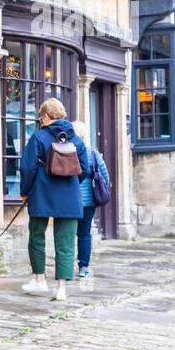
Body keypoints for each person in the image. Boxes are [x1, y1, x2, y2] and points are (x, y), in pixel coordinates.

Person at [19, 99, 90, 302]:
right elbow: (84, 169)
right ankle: (61, 289)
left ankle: (39, 279)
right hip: (70, 197)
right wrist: (69, 183)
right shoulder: (76, 140)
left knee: (37, 236)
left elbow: (28, 168)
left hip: (42, 194)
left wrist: (25, 191)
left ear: (46, 117)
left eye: (41, 117)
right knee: (66, 243)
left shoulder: (38, 137)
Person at [71, 120, 110, 280]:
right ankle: (83, 267)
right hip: (89, 202)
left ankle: (65, 267)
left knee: (67, 233)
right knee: (84, 233)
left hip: (71, 200)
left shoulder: (68, 152)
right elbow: (105, 176)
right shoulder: (93, 154)